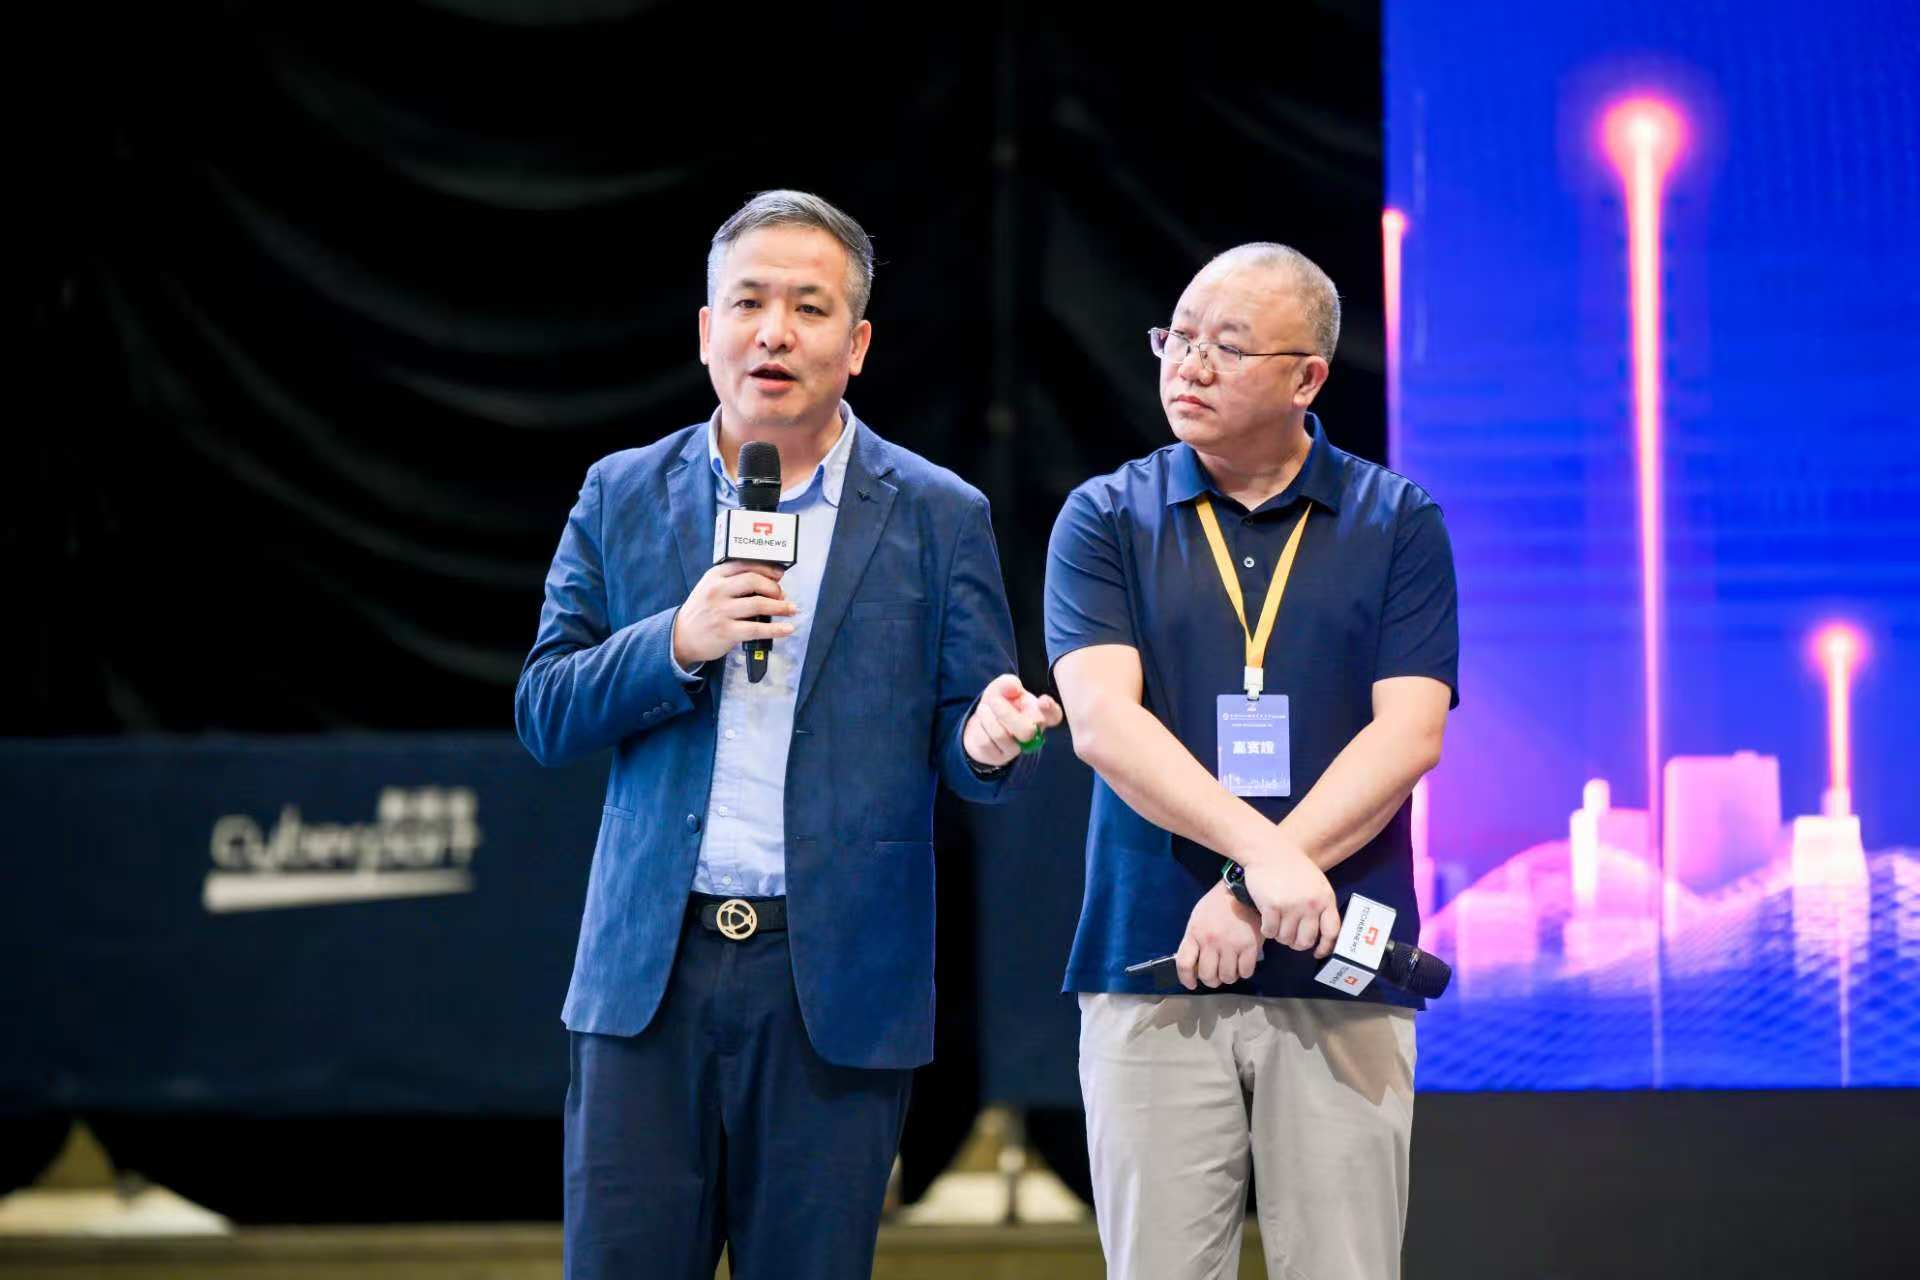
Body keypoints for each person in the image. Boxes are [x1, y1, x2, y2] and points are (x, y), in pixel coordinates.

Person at [515, 189, 1061, 1280]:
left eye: (809, 308)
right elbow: (546, 709)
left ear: (855, 345)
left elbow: (971, 741)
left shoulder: (937, 512)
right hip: (648, 978)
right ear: (705, 330)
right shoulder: (622, 493)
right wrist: (677, 638)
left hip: (834, 985)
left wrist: (997, 741)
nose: (774, 332)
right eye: (748, 302)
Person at [1043, 242, 1458, 1279]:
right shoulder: (1106, 515)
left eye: (1226, 347)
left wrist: (1245, 886)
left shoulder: (1397, 521)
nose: (1188, 364)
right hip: (1152, 960)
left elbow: (1410, 733)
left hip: (1341, 963)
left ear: (1306, 377)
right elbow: (1103, 724)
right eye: (1177, 337)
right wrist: (1262, 863)